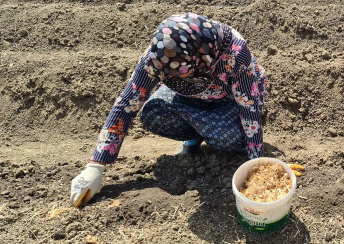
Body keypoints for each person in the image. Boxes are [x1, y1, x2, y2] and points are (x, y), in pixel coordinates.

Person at [70, 13, 266, 207]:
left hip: (230, 101)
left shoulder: (235, 53)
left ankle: (217, 134)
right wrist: (96, 165)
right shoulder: (158, 56)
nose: (174, 79)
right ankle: (196, 135)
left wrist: (257, 164)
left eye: (182, 73)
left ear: (200, 55)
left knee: (229, 138)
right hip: (190, 97)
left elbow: (249, 108)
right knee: (154, 112)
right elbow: (127, 102)